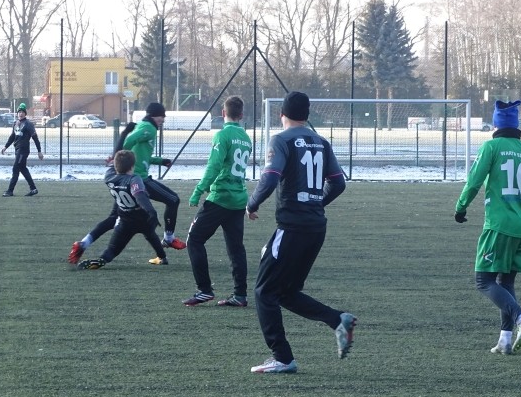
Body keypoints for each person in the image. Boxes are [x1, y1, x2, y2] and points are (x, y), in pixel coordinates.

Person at [246, 91, 356, 374]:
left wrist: (252, 203)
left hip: (292, 227)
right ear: (307, 115)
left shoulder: (280, 140)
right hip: (316, 227)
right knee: (286, 292)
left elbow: (270, 178)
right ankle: (337, 320)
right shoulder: (321, 142)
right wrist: (316, 203)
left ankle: (282, 357)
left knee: (263, 292)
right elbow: (338, 183)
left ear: (281, 113)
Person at [454, 100, 521, 355]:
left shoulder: (491, 146)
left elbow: (474, 181)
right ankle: (505, 339)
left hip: (499, 225)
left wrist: (461, 207)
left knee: (484, 280)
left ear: (495, 125)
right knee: (506, 281)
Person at [183, 96, 252, 307]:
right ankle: (240, 295)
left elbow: (214, 166)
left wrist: (198, 191)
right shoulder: (246, 138)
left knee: (194, 240)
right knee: (236, 248)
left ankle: (204, 290)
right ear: (241, 115)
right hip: (238, 199)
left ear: (223, 114)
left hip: (220, 197)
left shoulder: (222, 135)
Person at [76, 150, 169, 269]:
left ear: (116, 165)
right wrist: (151, 211)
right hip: (143, 217)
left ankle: (102, 259)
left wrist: (112, 163)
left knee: (112, 250)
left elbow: (112, 168)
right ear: (132, 166)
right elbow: (139, 195)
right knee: (151, 234)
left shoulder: (109, 177)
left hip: (125, 220)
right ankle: (162, 257)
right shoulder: (134, 178)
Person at [68, 121, 137, 264]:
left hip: (120, 187)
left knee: (113, 219)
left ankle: (84, 243)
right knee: (141, 223)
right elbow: (118, 154)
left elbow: (116, 154)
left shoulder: (112, 170)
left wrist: (124, 133)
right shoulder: (131, 173)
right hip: (131, 187)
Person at [123, 102, 186, 255]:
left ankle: (87, 242)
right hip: (140, 179)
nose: (163, 120)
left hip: (135, 177)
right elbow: (129, 141)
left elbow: (142, 156)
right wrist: (119, 157)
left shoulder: (144, 126)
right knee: (173, 200)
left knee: (118, 219)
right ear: (153, 116)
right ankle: (168, 239)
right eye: (161, 116)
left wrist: (161, 161)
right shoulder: (149, 128)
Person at [1, 103, 43, 196]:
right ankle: (33, 189)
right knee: (23, 168)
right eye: (19, 112)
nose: (20, 113)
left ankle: (10, 190)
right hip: (17, 150)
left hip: (23, 150)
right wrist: (5, 147)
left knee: (15, 168)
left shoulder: (28, 124)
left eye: (22, 112)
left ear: (25, 113)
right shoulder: (15, 123)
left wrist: (39, 151)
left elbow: (35, 138)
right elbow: (12, 137)